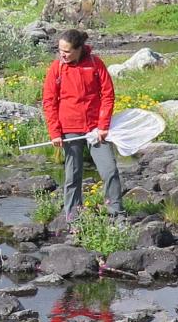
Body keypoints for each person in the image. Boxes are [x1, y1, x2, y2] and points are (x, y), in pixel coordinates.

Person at [42, 29, 123, 223]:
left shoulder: (95, 64)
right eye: (60, 50)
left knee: (110, 170)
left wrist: (103, 126)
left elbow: (108, 95)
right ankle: (72, 217)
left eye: (67, 51)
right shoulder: (56, 68)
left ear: (79, 49)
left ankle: (116, 214)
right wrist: (55, 132)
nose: (63, 54)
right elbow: (49, 101)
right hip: (69, 129)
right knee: (73, 175)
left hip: (96, 129)